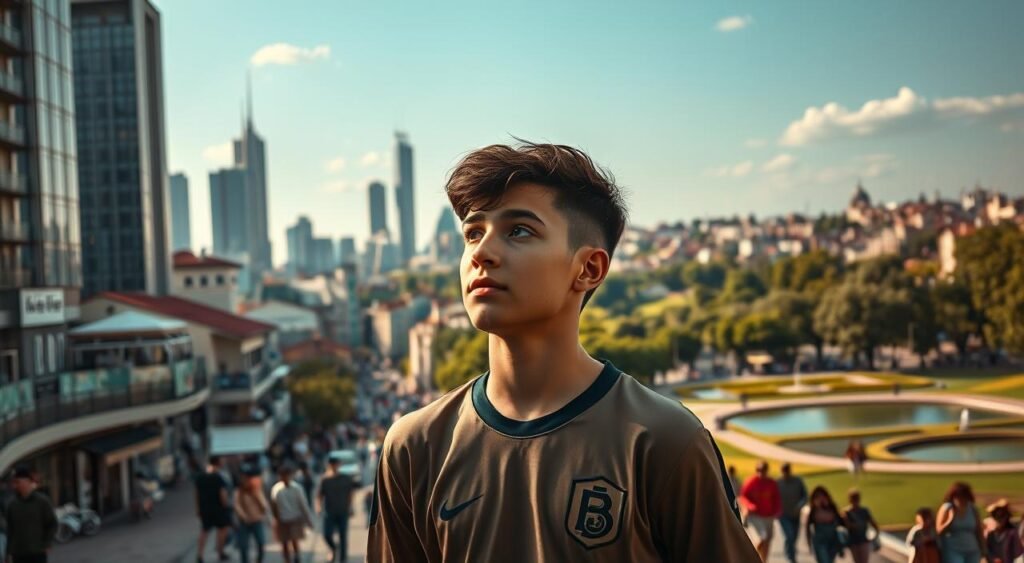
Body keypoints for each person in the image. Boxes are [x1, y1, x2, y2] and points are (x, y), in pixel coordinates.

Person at [367, 142, 758, 562]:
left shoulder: (663, 441)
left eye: (519, 230)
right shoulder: (414, 446)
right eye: (473, 233)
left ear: (588, 269)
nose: (481, 253)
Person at [4, 466, 57, 563]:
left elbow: (52, 523)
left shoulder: (42, 501)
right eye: (15, 482)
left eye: (18, 482)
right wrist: (8, 554)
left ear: (27, 481)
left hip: (37, 552)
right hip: (18, 554)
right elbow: (10, 530)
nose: (15, 485)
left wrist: (47, 543)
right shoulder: (12, 505)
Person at [317, 453, 358, 563]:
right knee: (327, 535)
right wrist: (318, 507)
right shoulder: (325, 479)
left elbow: (350, 493)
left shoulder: (345, 478)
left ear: (339, 465)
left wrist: (351, 507)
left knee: (343, 536)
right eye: (332, 464)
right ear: (329, 465)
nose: (334, 466)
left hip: (343, 511)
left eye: (336, 464)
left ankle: (342, 559)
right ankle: (333, 548)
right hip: (329, 512)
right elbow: (319, 495)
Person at [270, 462, 313, 563]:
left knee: (295, 540)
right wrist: (275, 520)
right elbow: (273, 506)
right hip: (282, 519)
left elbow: (303, 505)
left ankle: (297, 557)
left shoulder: (297, 488)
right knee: (284, 543)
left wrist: (308, 520)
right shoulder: (276, 489)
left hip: (294, 518)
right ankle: (287, 560)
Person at [740, 460, 782, 562]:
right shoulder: (751, 482)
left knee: (767, 541)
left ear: (767, 471)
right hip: (755, 516)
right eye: (758, 470)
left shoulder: (771, 483)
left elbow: (776, 498)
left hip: (768, 516)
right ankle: (751, 558)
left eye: (763, 470)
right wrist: (749, 506)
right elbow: (743, 497)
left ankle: (763, 561)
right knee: (761, 539)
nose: (760, 473)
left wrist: (777, 510)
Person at [194, 456, 233, 563]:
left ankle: (200, 555)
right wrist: (227, 506)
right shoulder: (218, 477)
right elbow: (223, 494)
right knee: (222, 529)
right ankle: (220, 552)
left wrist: (198, 508)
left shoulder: (200, 476)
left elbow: (196, 494)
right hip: (218, 508)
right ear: (218, 462)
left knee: (204, 531)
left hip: (205, 508)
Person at [936, 481, 984, 563]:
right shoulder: (946, 508)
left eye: (964, 497)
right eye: (959, 497)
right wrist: (950, 520)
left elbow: (978, 530)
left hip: (972, 550)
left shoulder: (972, 509)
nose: (962, 500)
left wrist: (983, 548)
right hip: (953, 550)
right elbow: (939, 531)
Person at [234, 464, 269, 563]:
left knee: (261, 543)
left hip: (256, 520)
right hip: (244, 522)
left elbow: (263, 504)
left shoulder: (256, 489)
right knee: (243, 546)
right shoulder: (239, 491)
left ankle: (258, 560)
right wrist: (243, 516)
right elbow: (237, 506)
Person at [776, 462, 808, 563]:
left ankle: (789, 551)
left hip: (796, 515)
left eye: (787, 471)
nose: (785, 473)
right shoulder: (778, 483)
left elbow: (805, 496)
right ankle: (791, 557)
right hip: (783, 515)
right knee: (789, 535)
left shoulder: (798, 481)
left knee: (794, 536)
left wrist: (800, 505)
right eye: (784, 471)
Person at [805, 486, 845, 563]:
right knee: (824, 560)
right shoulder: (813, 510)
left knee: (830, 560)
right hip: (820, 540)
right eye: (817, 496)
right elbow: (808, 528)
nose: (820, 498)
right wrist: (809, 544)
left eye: (822, 495)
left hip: (832, 540)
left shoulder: (832, 507)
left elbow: (840, 522)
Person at [843, 488, 880, 563]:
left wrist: (875, 536)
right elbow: (847, 526)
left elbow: (874, 524)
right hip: (853, 541)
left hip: (863, 540)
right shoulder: (846, 512)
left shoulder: (864, 511)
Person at [984, 499, 1023, 563]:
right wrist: (994, 559)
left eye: (1002, 516)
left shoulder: (1012, 534)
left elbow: (1018, 553)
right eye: (997, 516)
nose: (999, 519)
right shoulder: (991, 535)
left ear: (1007, 517)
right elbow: (987, 551)